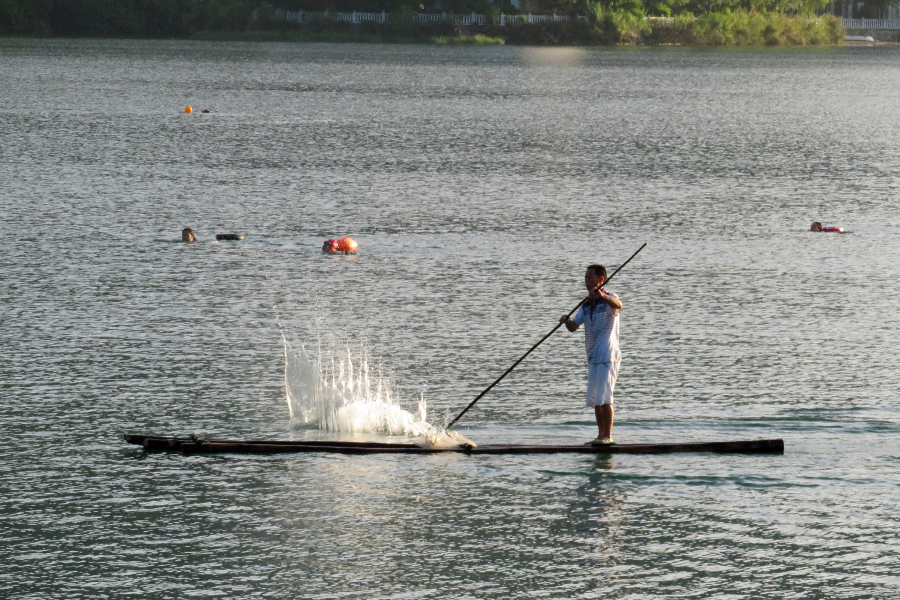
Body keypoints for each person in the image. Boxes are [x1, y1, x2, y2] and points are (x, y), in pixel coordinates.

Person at [560, 264, 623, 445]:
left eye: (590, 277)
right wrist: (566, 321)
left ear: (600, 280)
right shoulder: (586, 304)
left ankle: (608, 436)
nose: (586, 280)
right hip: (594, 355)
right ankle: (600, 435)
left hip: (608, 354)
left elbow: (618, 305)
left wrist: (602, 296)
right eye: (585, 277)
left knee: (605, 397)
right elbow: (574, 328)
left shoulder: (610, 298)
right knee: (596, 398)